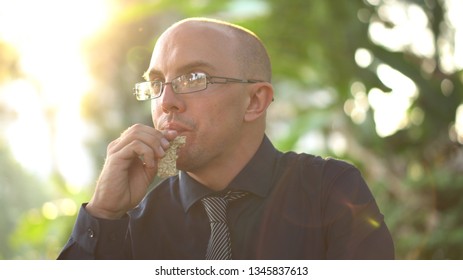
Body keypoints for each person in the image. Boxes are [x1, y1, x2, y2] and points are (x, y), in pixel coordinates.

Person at [58, 17, 394, 260]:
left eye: (193, 78)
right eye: (158, 82)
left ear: (254, 101)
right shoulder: (134, 223)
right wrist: (101, 213)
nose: (165, 101)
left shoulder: (331, 192)